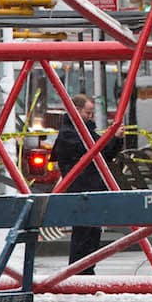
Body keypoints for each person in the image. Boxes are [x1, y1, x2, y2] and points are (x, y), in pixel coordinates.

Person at [50, 94, 125, 274]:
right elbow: (92, 151)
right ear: (76, 110)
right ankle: (79, 271)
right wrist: (111, 138)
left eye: (91, 113)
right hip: (81, 189)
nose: (90, 117)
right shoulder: (69, 134)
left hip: (90, 188)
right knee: (83, 234)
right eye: (87, 112)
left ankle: (86, 270)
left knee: (92, 233)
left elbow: (104, 154)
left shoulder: (85, 131)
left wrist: (115, 140)